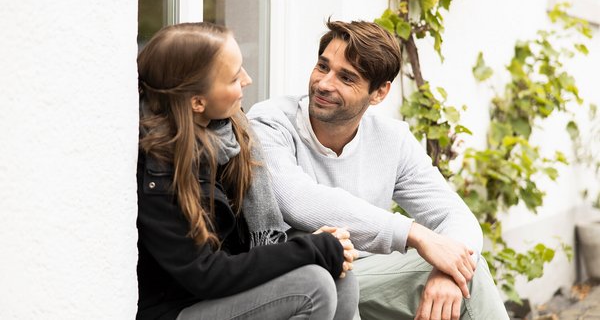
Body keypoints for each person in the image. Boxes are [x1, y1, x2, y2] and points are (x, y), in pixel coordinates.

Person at [247, 20, 509, 320]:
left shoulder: (391, 139)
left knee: (466, 275)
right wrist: (414, 234)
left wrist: (448, 272)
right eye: (323, 67)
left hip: (370, 276)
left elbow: (455, 214)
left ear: (379, 93)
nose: (324, 84)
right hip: (303, 279)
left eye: (346, 78)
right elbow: (295, 199)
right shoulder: (271, 121)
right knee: (466, 276)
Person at [136, 22, 360, 320]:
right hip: (176, 309)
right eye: (232, 77)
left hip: (212, 294)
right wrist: (308, 249)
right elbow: (207, 274)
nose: (247, 79)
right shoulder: (162, 167)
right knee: (312, 285)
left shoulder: (228, 138)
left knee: (339, 278)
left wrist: (317, 248)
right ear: (197, 101)